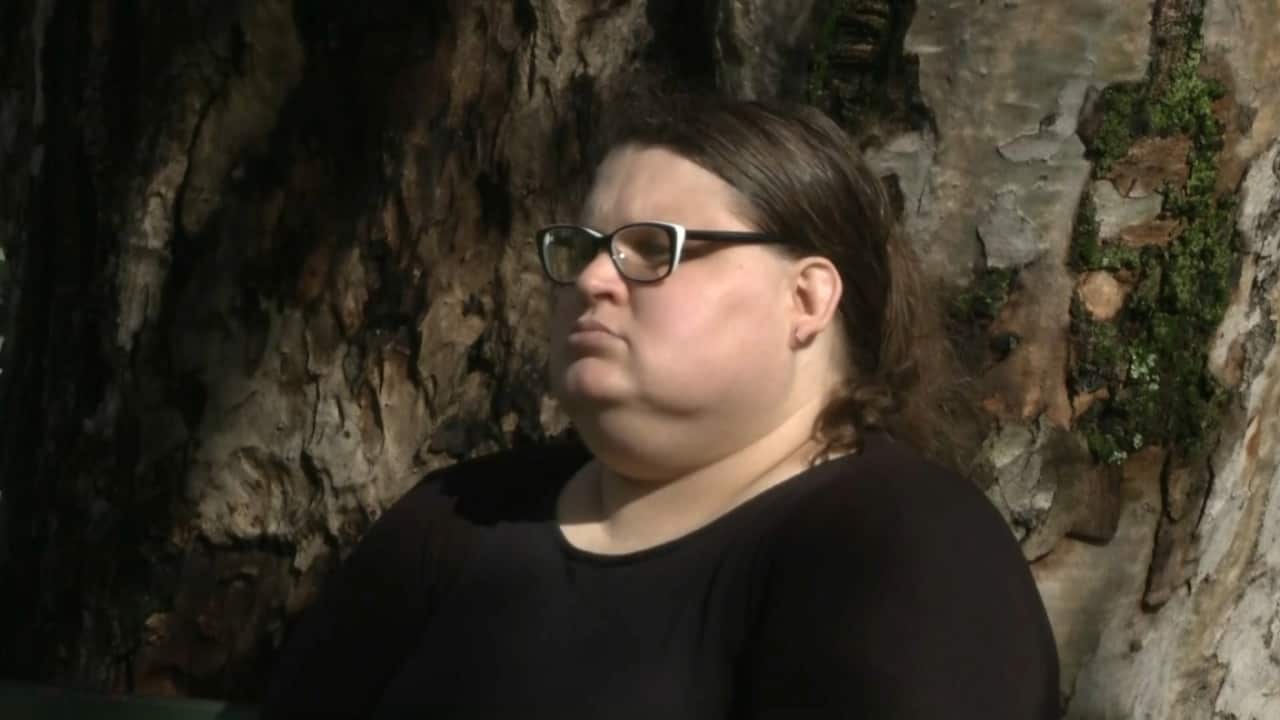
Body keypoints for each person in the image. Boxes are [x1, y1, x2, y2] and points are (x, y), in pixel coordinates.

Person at [262, 95, 1059, 718]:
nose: (592, 280)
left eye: (651, 249)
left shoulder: (903, 549)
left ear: (807, 298)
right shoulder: (458, 518)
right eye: (578, 249)